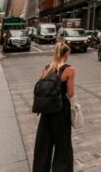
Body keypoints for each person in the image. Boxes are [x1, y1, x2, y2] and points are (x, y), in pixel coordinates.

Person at [33, 42, 75, 172]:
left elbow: (41, 86)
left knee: (44, 142)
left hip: (46, 109)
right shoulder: (69, 69)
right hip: (61, 109)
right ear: (66, 53)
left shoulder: (47, 67)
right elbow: (70, 93)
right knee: (63, 143)